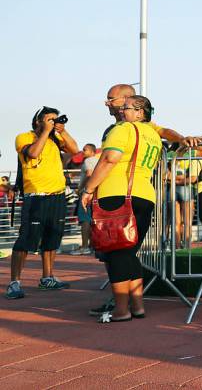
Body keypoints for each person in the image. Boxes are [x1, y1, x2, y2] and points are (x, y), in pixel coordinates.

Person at [80, 96, 159, 322]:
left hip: (117, 193)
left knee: (115, 252)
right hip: (145, 194)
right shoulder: (152, 134)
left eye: (126, 108)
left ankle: (121, 310)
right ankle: (137, 306)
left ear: (140, 112)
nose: (122, 111)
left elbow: (109, 158)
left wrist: (88, 189)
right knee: (129, 251)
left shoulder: (122, 129)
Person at [7, 107, 79, 299]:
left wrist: (62, 131)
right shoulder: (24, 137)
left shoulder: (56, 139)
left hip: (57, 195)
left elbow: (75, 150)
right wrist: (47, 131)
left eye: (54, 120)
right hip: (36, 196)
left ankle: (47, 277)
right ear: (38, 121)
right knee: (25, 239)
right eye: (49, 120)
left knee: (52, 238)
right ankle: (14, 282)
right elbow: (32, 153)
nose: (52, 123)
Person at [69, 143, 98, 255]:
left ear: (92, 152)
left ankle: (85, 246)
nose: (83, 152)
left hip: (86, 193)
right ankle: (90, 245)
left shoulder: (89, 161)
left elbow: (89, 174)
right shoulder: (97, 161)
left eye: (85, 150)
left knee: (85, 220)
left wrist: (81, 188)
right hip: (95, 193)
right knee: (91, 220)